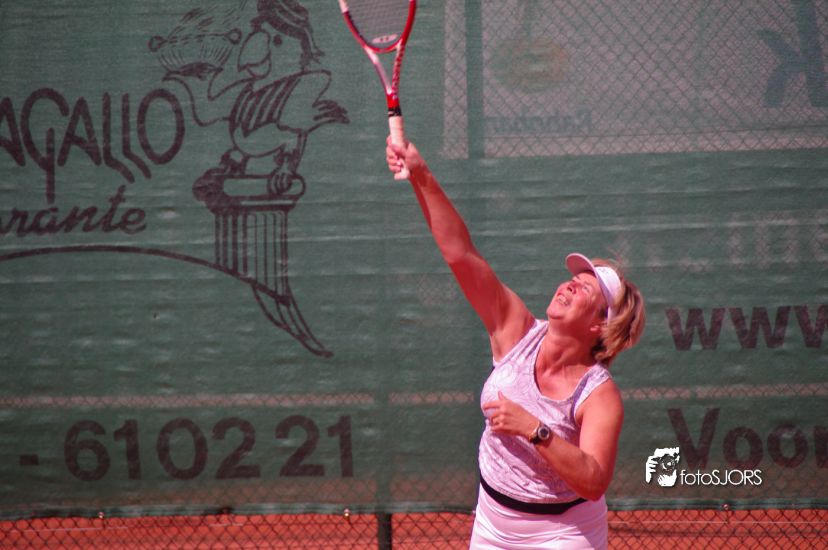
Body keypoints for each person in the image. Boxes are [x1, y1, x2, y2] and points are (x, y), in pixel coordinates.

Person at [386, 138, 646, 549]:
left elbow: (594, 480)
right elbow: (461, 255)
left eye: (583, 290)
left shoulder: (599, 395)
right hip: (492, 522)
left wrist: (534, 429)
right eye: (571, 280)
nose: (567, 286)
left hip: (563, 532)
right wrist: (421, 173)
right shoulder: (516, 331)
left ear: (600, 325)